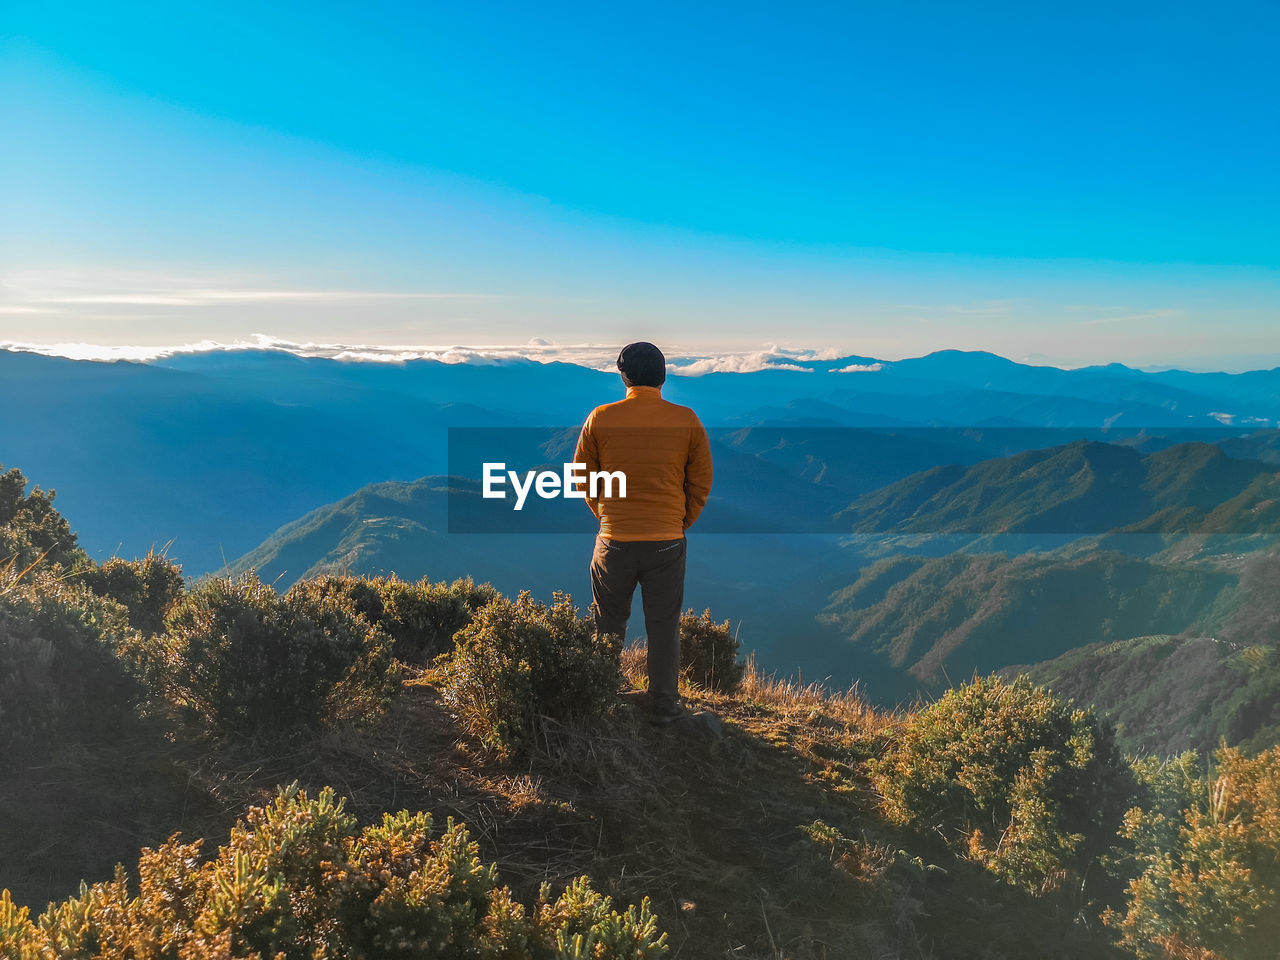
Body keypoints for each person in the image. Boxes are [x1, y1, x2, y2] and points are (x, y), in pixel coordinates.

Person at [572, 342, 714, 725]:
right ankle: (664, 705)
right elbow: (701, 481)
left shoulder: (601, 417)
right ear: (664, 377)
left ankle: (602, 696)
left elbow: (583, 478)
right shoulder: (686, 419)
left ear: (624, 376)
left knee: (607, 622)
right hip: (667, 541)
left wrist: (606, 514)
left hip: (614, 539)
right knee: (664, 624)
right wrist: (680, 521)